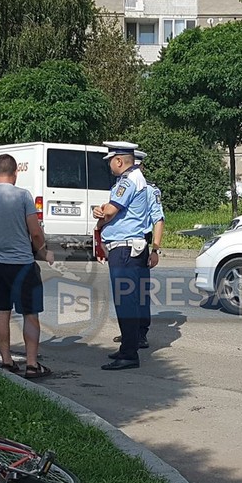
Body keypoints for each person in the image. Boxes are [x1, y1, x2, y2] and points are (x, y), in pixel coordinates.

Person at [0, 153, 54, 379]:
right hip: (22, 263)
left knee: (1, 311)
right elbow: (35, 232)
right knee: (30, 313)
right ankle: (31, 364)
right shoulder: (23, 196)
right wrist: (43, 251)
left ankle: (7, 360)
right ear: (15, 174)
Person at [93, 141, 150, 371]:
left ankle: (129, 354)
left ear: (119, 160)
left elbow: (110, 210)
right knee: (131, 299)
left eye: (110, 162)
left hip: (124, 249)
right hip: (131, 247)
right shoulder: (137, 179)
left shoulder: (128, 181)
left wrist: (100, 211)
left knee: (125, 300)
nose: (110, 166)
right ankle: (129, 345)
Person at [113, 150, 163, 351]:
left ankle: (140, 333)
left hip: (139, 244)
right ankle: (130, 335)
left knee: (139, 292)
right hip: (127, 243)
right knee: (129, 293)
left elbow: (158, 219)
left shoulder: (150, 190)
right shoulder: (124, 185)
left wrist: (155, 249)